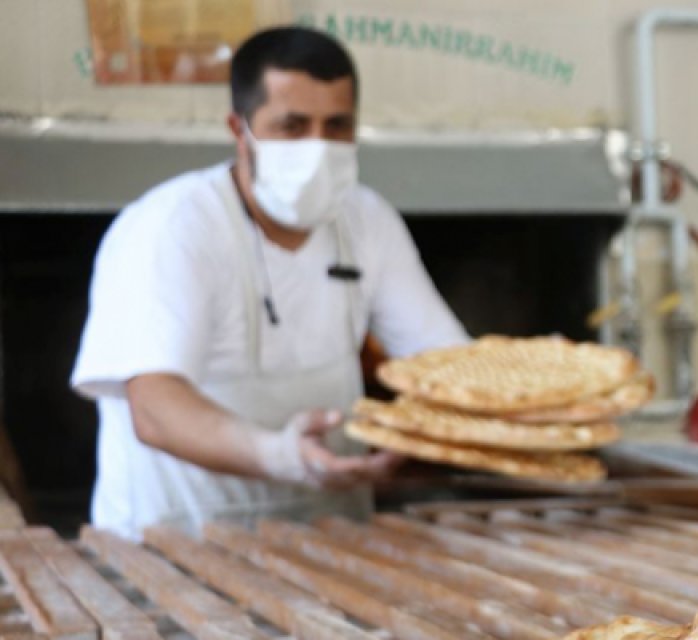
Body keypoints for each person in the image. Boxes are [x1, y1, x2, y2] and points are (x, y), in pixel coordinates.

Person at [71, 27, 468, 540]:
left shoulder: (367, 221)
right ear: (240, 130)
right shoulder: (172, 227)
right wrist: (280, 455)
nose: (318, 147)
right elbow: (155, 409)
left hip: (333, 539)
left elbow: (447, 367)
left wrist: (525, 394)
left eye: (337, 126)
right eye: (293, 126)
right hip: (178, 544)